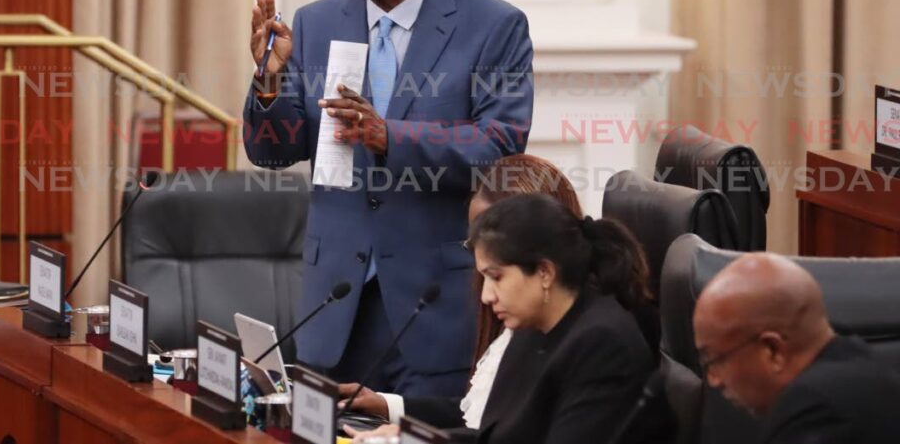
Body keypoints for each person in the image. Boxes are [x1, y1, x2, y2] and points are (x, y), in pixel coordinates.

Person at [243, 0, 534, 395]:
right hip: (332, 304)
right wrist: (268, 80)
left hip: (432, 306)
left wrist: (388, 136)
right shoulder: (315, 22)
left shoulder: (492, 26)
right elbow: (273, 152)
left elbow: (499, 149)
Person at [353, 193, 659, 443]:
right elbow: (496, 436)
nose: (486, 296)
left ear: (544, 272)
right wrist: (409, 439)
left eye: (496, 277)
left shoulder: (603, 344)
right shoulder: (533, 325)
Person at [340, 154, 583, 429]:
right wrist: (387, 405)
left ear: (544, 266)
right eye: (473, 242)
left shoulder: (580, 340)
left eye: (497, 270)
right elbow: (480, 414)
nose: (485, 293)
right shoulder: (522, 319)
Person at [693, 252, 900, 443]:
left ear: (772, 350)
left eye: (715, 360)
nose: (714, 380)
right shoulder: (875, 370)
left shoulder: (815, 413)